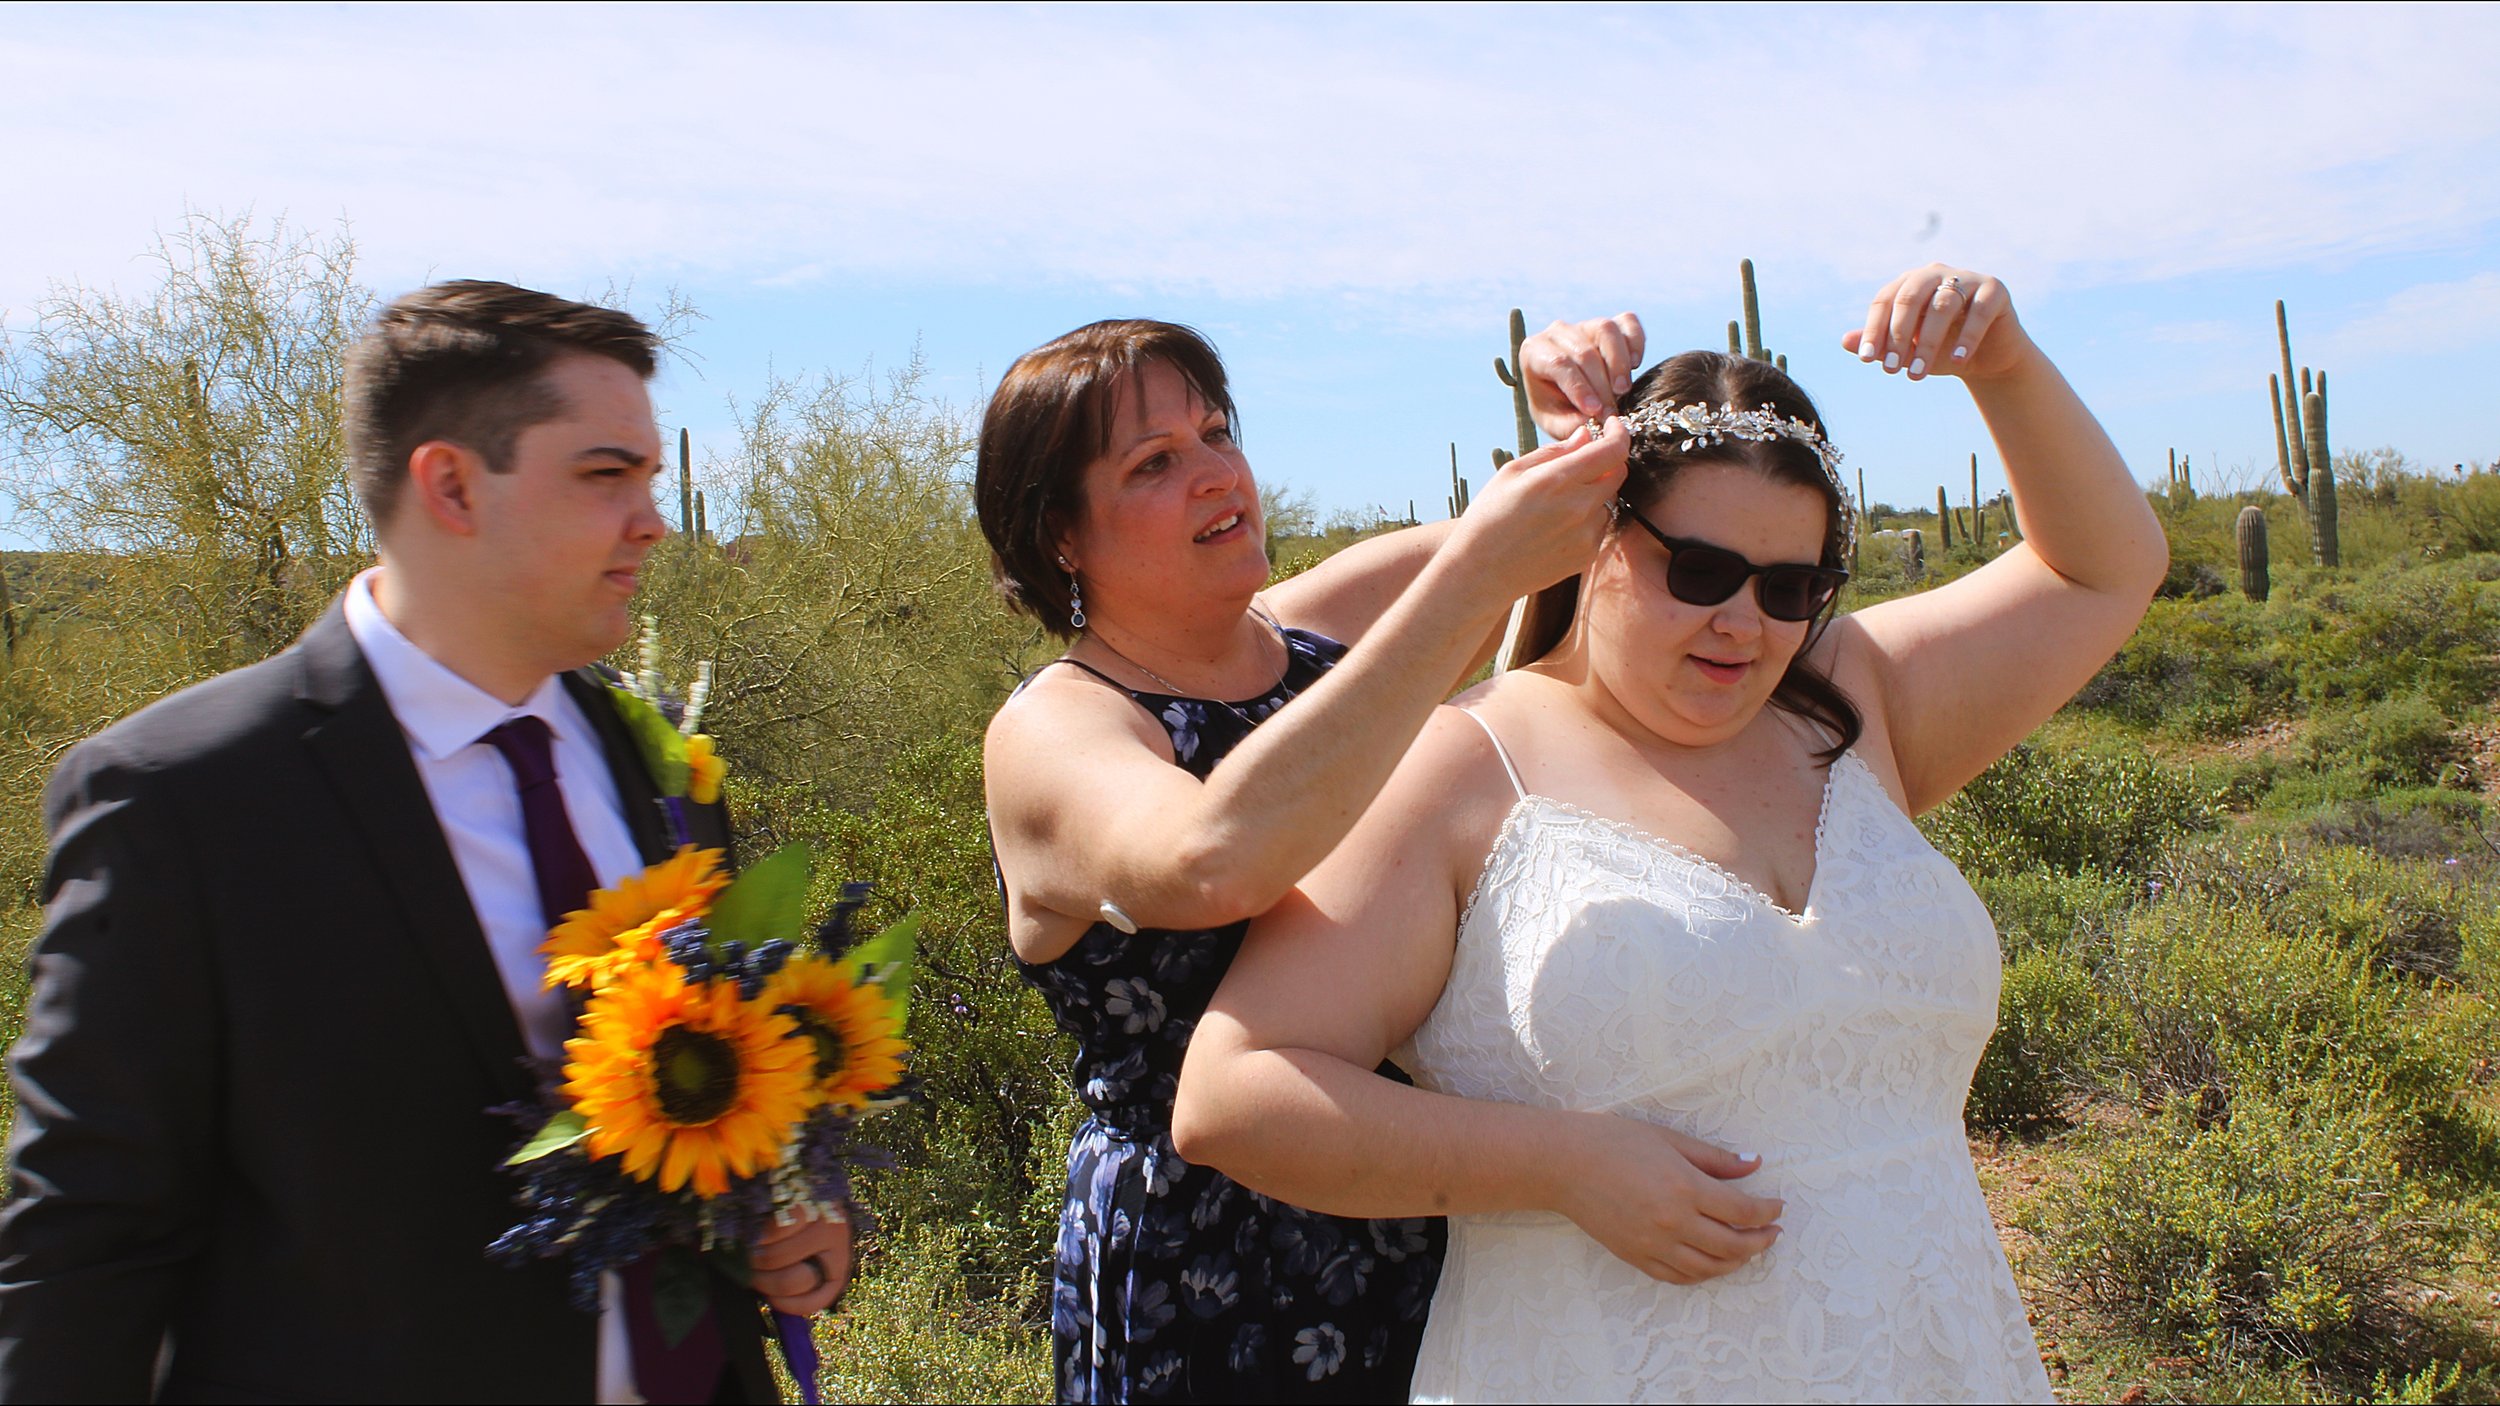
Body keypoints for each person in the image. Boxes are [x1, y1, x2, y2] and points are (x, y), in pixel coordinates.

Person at [1174, 264, 2169, 1402]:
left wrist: (2004, 364)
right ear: (1590, 538)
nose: (1740, 620)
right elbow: (1235, 1091)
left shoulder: (1847, 698)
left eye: (1789, 586)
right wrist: (1559, 1166)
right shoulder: (1462, 765)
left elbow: (2106, 567)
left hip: (1936, 1353)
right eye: (1693, 570)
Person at [0, 281, 850, 1402]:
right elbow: (85, 1243)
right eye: (605, 474)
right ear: (450, 482)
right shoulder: (181, 799)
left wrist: (790, 1214)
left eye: (652, 475)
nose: (654, 519)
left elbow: (702, 1111)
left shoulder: (661, 766)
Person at [977, 318, 1637, 1402]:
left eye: (1216, 431)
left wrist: (1570, 431)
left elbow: (1558, 545)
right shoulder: (1057, 733)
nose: (1214, 472)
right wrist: (1472, 574)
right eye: (1154, 462)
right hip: (1203, 1269)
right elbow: (1210, 858)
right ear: (1060, 536)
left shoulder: (1319, 629)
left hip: (1421, 1193)